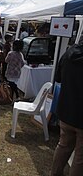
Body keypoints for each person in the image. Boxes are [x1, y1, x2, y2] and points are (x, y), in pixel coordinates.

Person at [50, 42, 83, 176]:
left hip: (66, 110)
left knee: (63, 146)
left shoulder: (68, 53)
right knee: (80, 156)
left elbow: (58, 78)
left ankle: (55, 173)